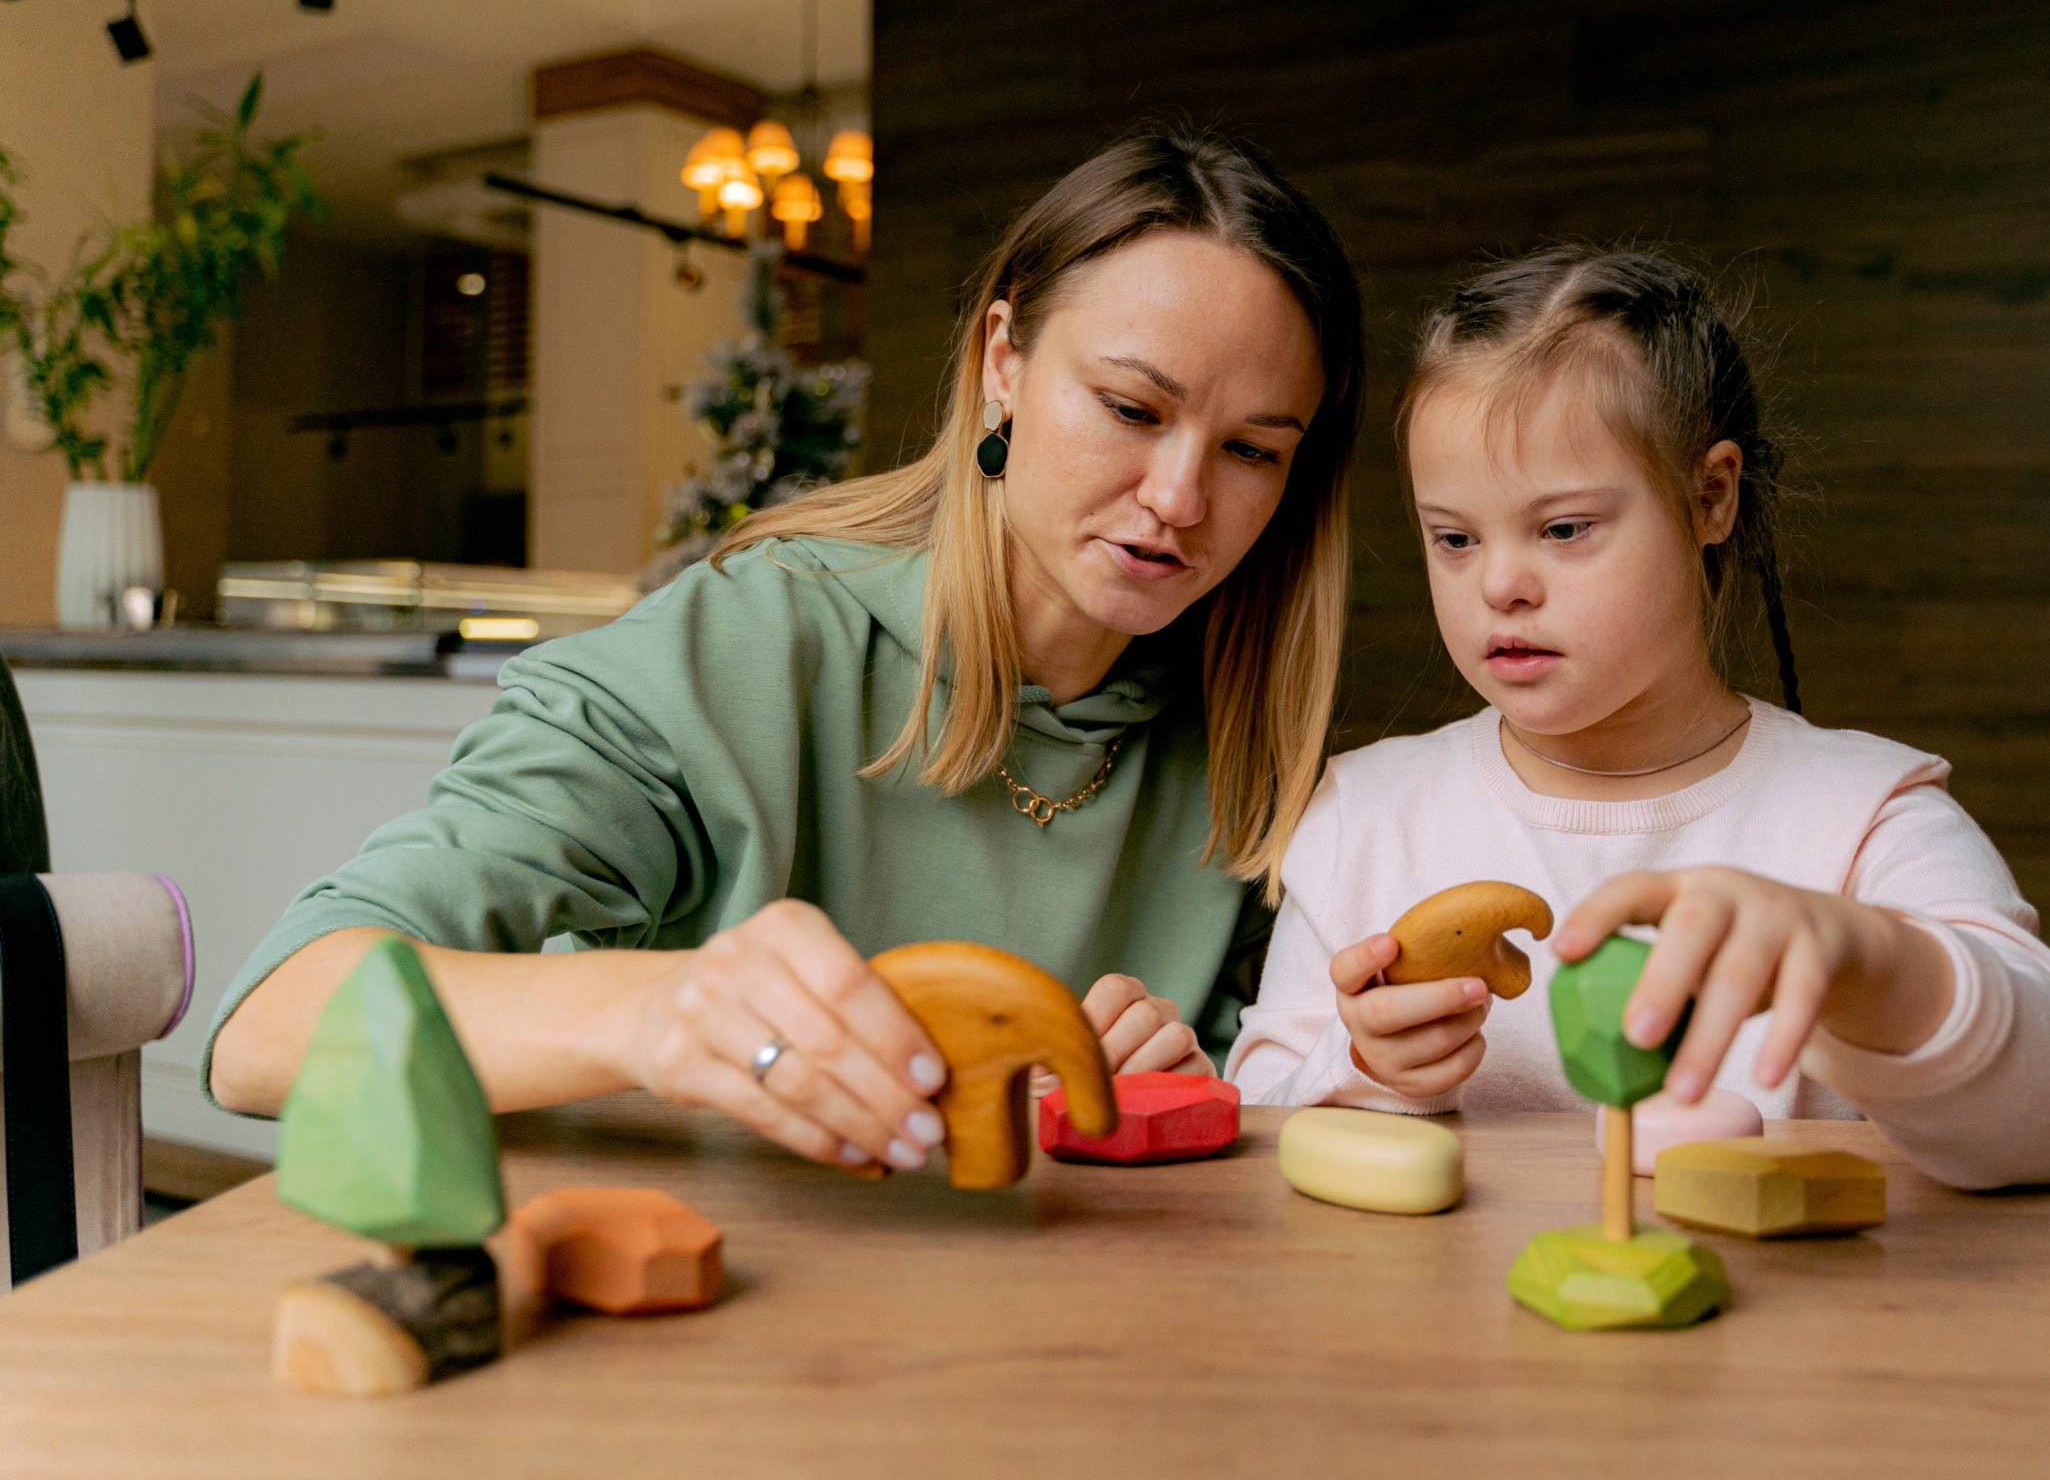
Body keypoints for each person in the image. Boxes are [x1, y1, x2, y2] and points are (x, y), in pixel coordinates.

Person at [208, 127, 1365, 1176]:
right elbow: (270, 1029)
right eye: (1130, 408)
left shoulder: (1250, 751)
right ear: (1002, 362)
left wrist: (1154, 1088)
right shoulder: (739, 651)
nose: (1178, 497)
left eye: (1252, 452)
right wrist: (660, 1010)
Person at [1224, 246, 2050, 1190]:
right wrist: (1363, 1069)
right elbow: (1255, 1130)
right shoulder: (1364, 816)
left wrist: (1873, 964)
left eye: (1564, 528)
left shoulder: (1864, 818)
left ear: (1710, 496)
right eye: (1454, 538)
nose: (1500, 585)